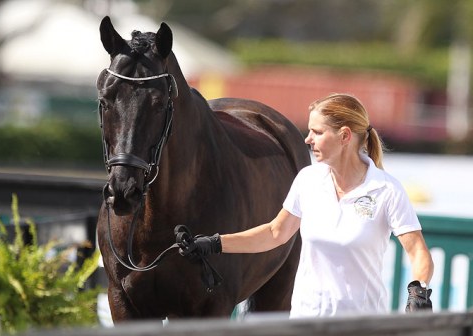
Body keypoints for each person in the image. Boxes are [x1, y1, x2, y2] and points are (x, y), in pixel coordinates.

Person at [176, 93, 434, 317]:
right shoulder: (308, 180)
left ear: (344, 136)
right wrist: (213, 243)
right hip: (305, 322)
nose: (307, 139)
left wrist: (418, 290)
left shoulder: (386, 190)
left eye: (318, 132)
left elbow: (418, 253)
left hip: (360, 328)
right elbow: (275, 233)